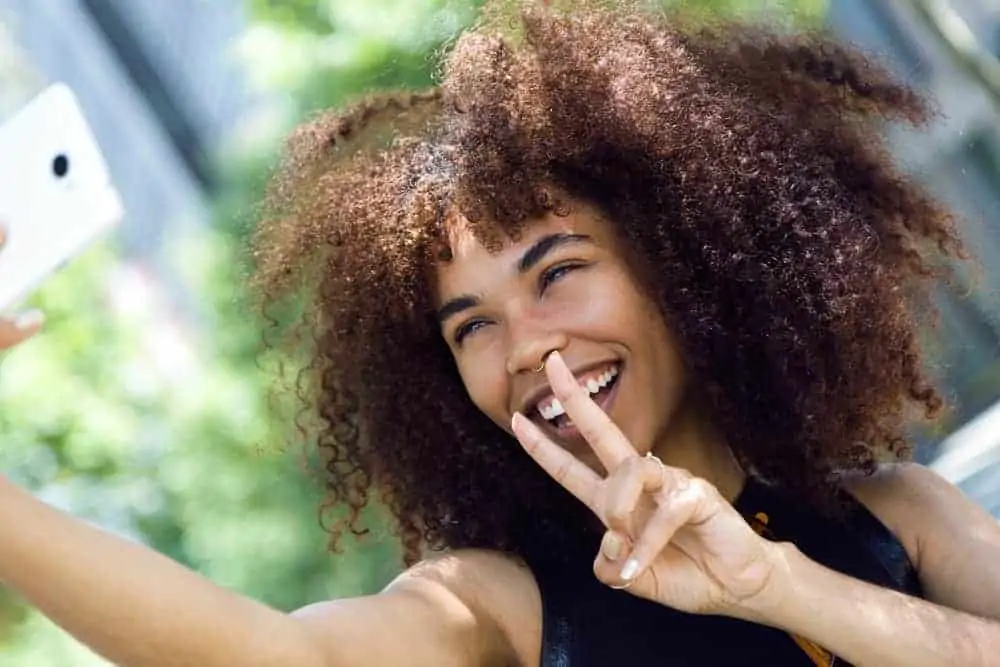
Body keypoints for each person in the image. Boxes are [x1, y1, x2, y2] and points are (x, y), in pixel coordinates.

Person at [2, 2, 1000, 665]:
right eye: (471, 325)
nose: (525, 346)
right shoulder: (498, 605)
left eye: (557, 272)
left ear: (683, 260)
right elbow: (274, 655)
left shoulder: (897, 510)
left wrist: (780, 587)